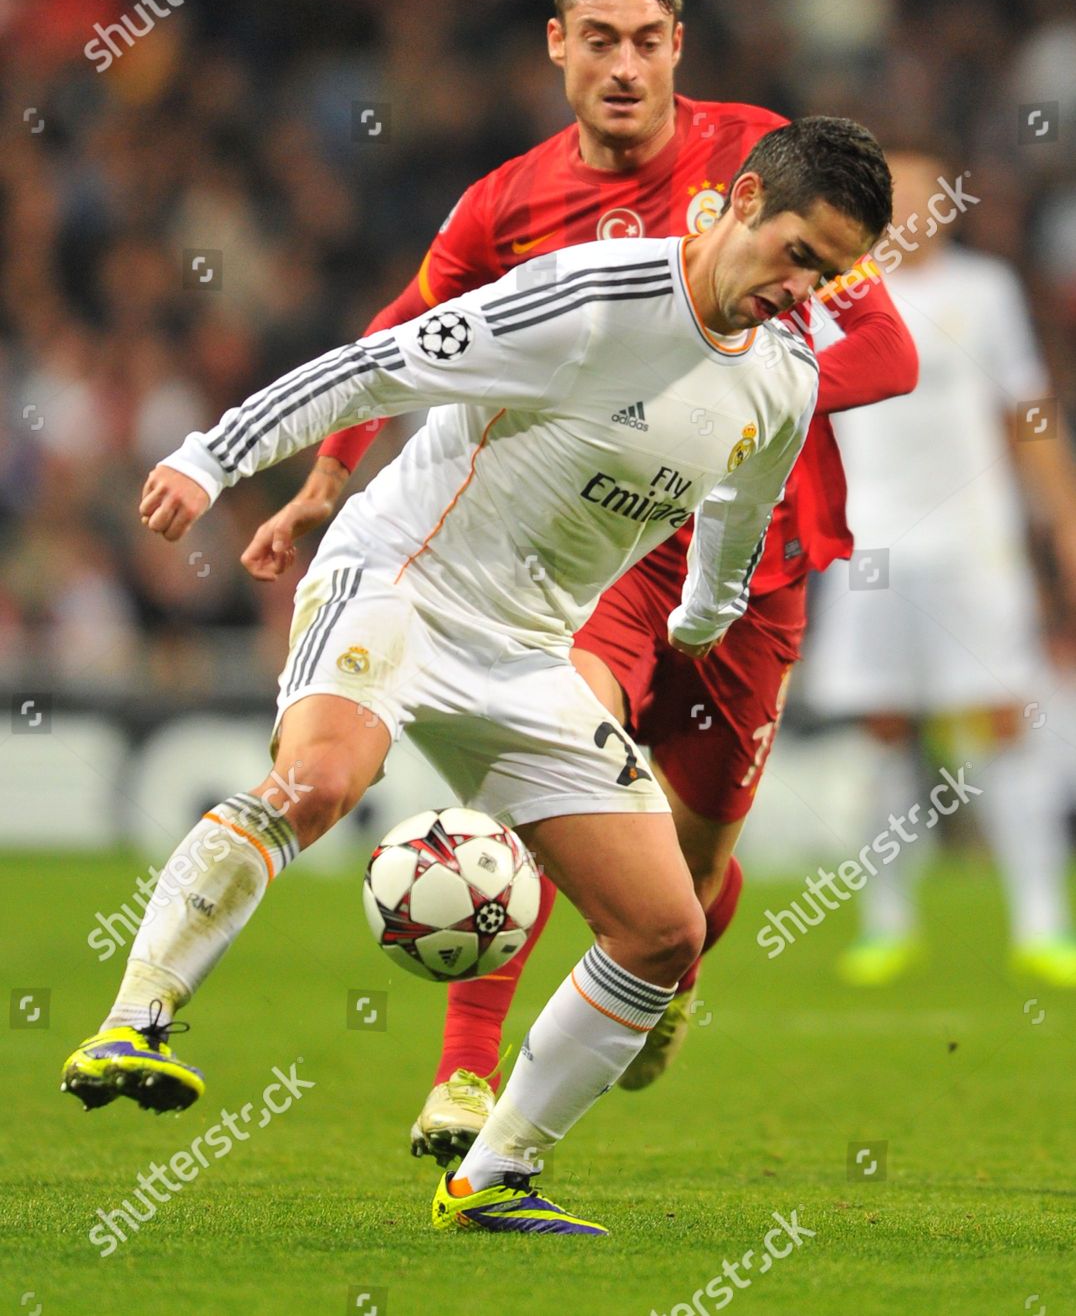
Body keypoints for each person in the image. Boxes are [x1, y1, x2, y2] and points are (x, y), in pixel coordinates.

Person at [61, 116, 892, 1236]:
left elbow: (738, 514)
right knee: (317, 781)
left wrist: (705, 611)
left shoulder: (782, 378)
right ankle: (137, 1019)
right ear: (739, 201)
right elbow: (371, 372)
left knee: (662, 929)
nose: (804, 290)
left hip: (529, 653)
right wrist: (212, 457)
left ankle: (492, 1176)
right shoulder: (586, 304)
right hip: (400, 586)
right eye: (798, 254)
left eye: (829, 275)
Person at [237, 0, 918, 1160]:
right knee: (552, 756)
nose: (622, 65)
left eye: (645, 41)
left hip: (747, 563)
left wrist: (749, 378)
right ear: (558, 45)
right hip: (592, 552)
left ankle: (683, 945)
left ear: (677, 49)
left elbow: (889, 345)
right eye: (597, 39)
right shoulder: (513, 198)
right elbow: (409, 331)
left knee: (692, 883)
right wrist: (325, 479)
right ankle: (462, 1080)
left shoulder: (764, 165)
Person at [805, 146, 1076, 986]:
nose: (915, 204)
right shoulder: (829, 298)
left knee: (1001, 720)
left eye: (927, 189)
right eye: (897, 191)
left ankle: (1040, 921)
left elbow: (1026, 417)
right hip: (873, 546)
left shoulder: (985, 293)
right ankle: (887, 923)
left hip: (974, 543)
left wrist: (1063, 522)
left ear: (947, 203)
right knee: (884, 730)